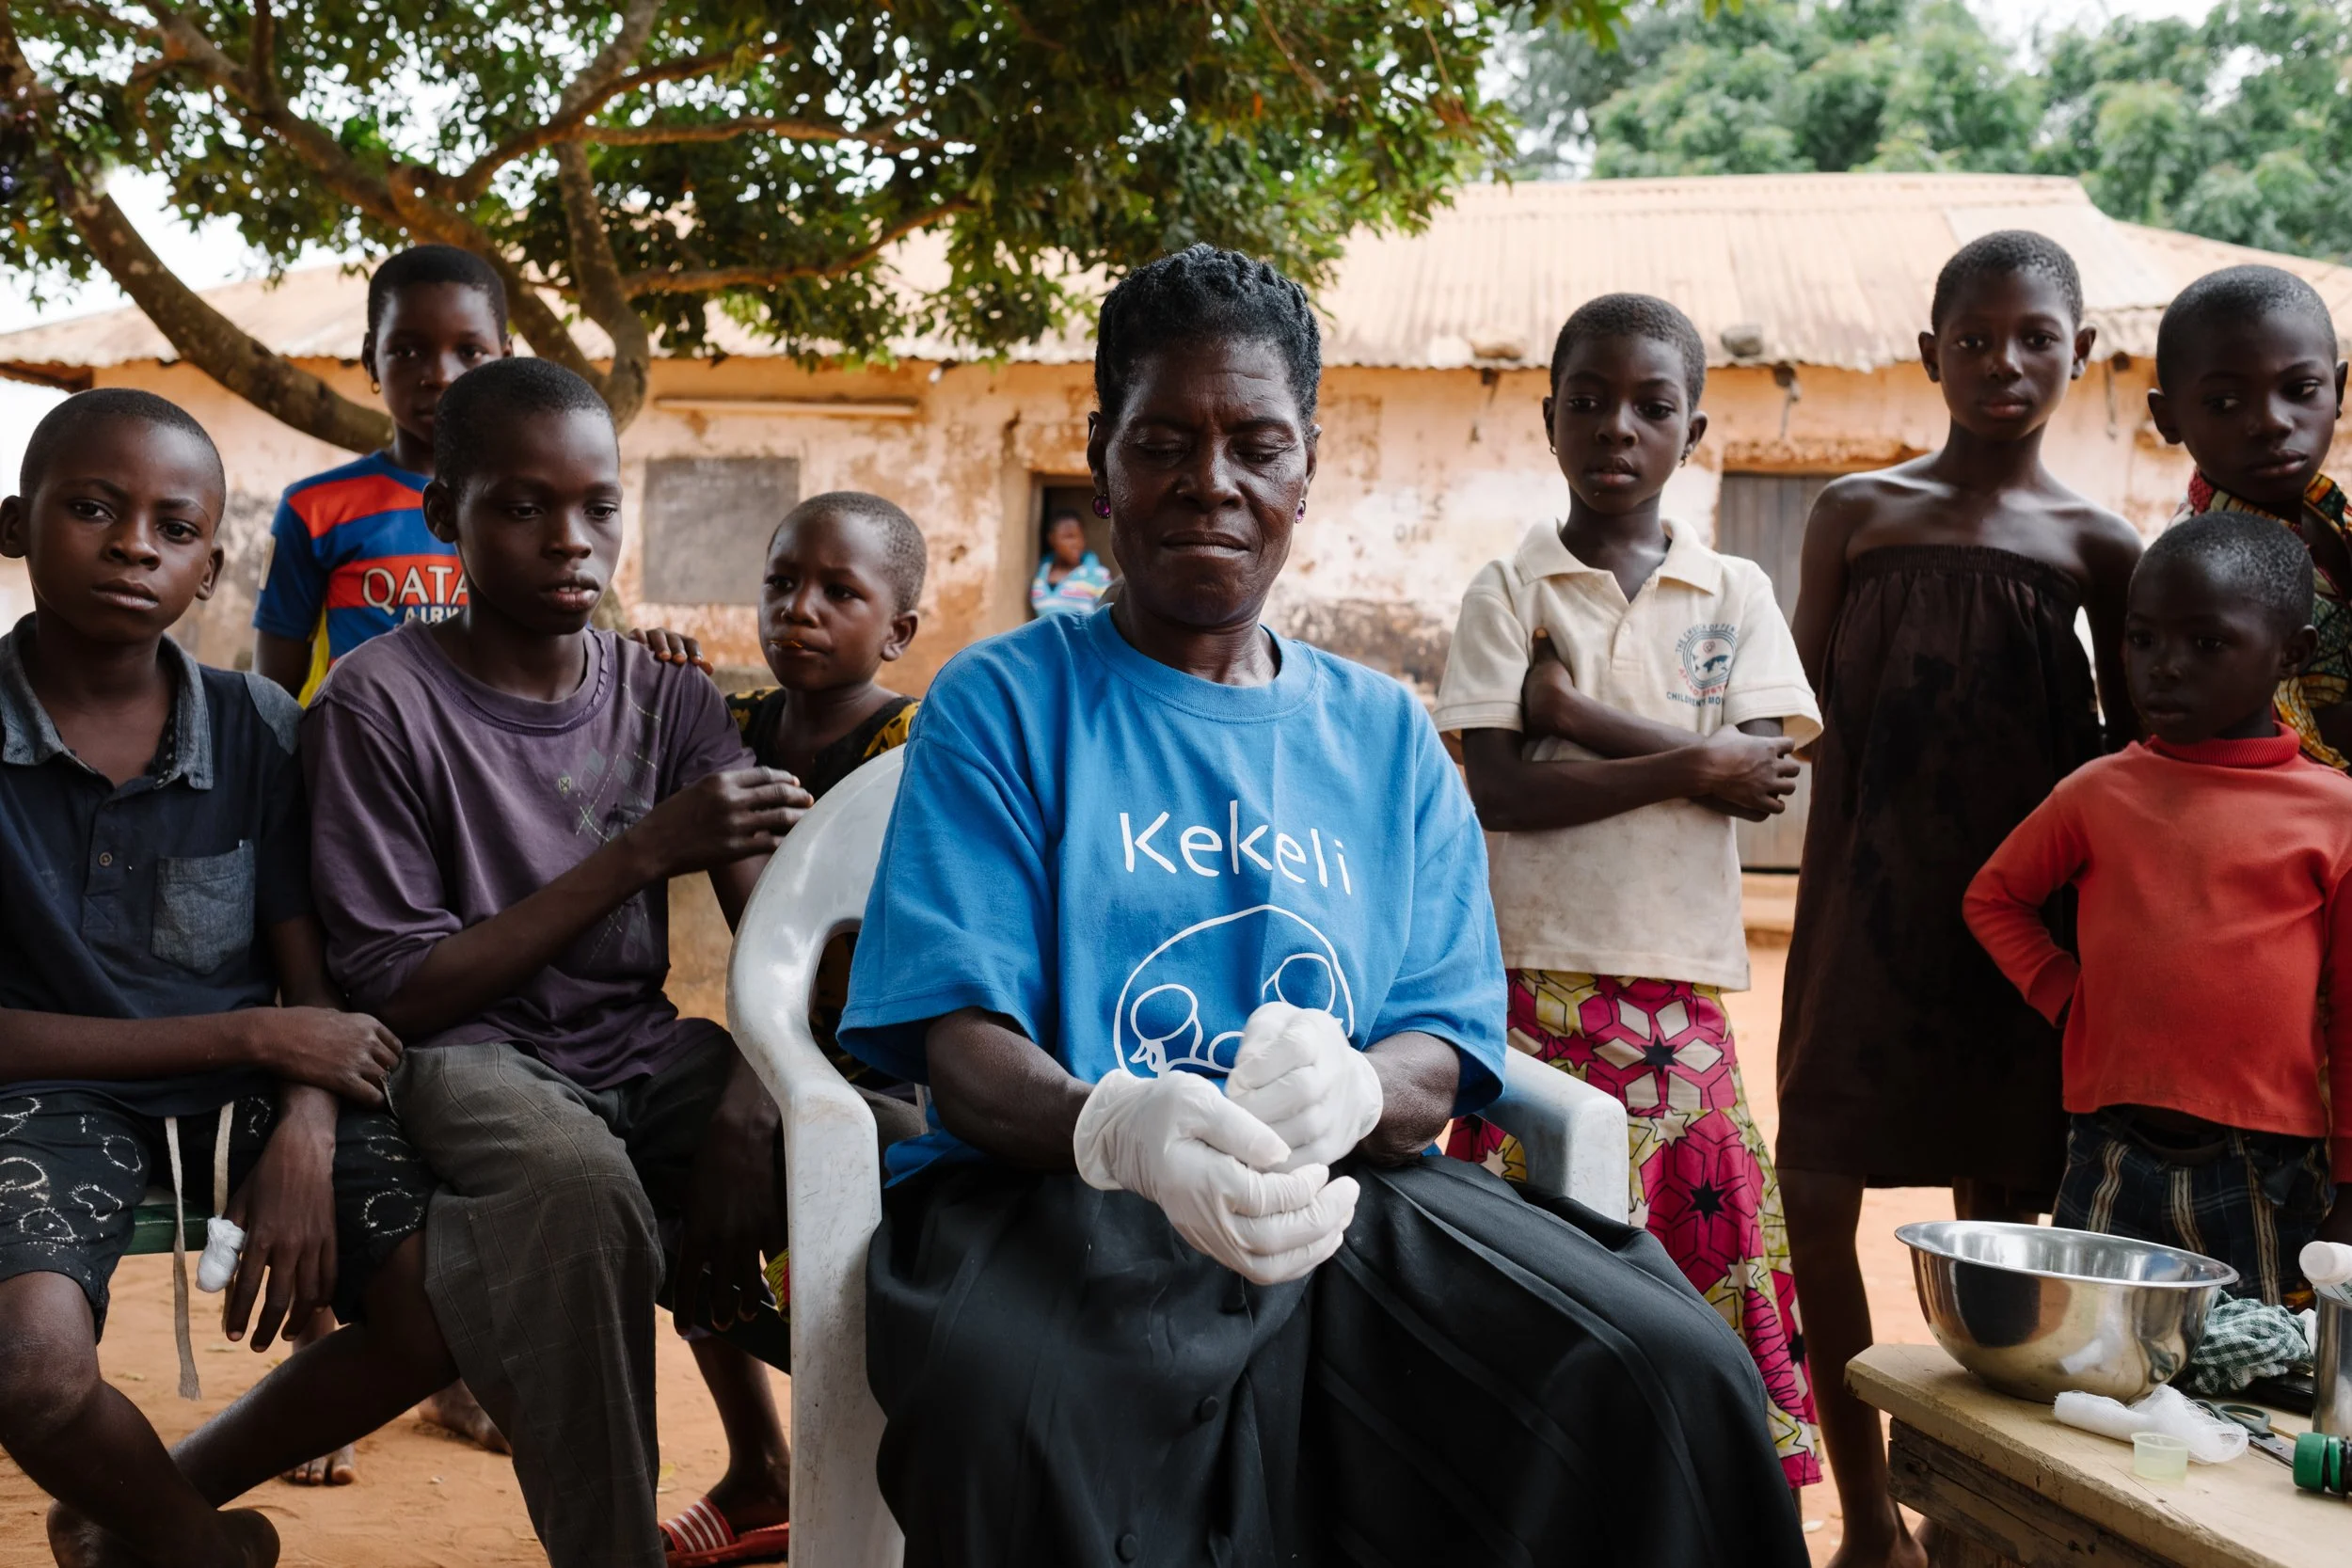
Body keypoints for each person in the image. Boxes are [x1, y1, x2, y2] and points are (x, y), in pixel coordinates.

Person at [836, 245, 1808, 1568]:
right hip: (1049, 1199)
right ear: (1104, 456)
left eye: (1255, 442)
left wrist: (1357, 1088)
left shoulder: (1385, 737)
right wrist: (1119, 1123)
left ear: (1307, 471)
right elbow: (958, 1044)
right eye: (1164, 440)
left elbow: (1443, 1042)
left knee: (1665, 1370)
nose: (1210, 481)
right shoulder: (1000, 703)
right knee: (1030, 1422)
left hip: (1346, 1203)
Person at [302, 357, 810, 1568]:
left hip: (636, 1044)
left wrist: (765, 1079)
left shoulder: (667, 698)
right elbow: (403, 989)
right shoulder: (378, 705)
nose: (570, 540)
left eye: (598, 505)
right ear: (445, 516)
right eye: (523, 507)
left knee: (867, 1140)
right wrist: (639, 853)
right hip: (463, 1054)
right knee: (585, 1194)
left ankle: (860, 1480)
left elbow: (776, 937)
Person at [0, 389, 456, 1568]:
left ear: (211, 568)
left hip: (258, 1090)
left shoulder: (256, 724)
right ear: (17, 525)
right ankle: (203, 1555)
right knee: (33, 1375)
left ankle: (136, 1513)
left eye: (175, 525)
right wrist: (259, 1039)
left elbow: (312, 985)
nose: (133, 543)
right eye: (93, 508)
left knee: (441, 1313)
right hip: (46, 1097)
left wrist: (306, 1118)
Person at [1775, 230, 2143, 1568]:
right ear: (1930, 355)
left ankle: (1969, 1512)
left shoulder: (2102, 544)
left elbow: (2143, 750)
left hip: (2025, 941)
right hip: (1861, 916)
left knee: (2008, 1221)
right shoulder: (1855, 514)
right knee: (1815, 1185)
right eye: (1974, 339)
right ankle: (1871, 1516)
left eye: (2036, 336)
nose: (2005, 362)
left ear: (2080, 355)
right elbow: (1794, 709)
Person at [1433, 292, 1825, 1494]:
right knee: (1528, 1252)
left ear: (1692, 434)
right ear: (1549, 420)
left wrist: (1574, 718)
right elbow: (1498, 788)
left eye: (1651, 407)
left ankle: (1705, 1492)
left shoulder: (1736, 590)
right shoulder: (1512, 591)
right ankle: (1530, 1486)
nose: (1617, 428)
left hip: (1681, 986)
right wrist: (1684, 759)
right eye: (1588, 403)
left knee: (1705, 1240)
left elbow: (1758, 776)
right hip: (1527, 986)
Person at [1966, 512, 2352, 1301]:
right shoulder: (2101, 791)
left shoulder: (2334, 812)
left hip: (2266, 1165)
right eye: (2142, 640)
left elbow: (2350, 1010)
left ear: (2292, 654)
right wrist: (2065, 994)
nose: (2164, 668)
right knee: (2085, 1359)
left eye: (2207, 643)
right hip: (2108, 1151)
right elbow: (1996, 896)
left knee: (2258, 1369)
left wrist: (2349, 1185)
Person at [657, 489, 927, 1567]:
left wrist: (757, 1086)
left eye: (839, 592)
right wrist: (652, 663)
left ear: (897, 629)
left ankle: (886, 1492)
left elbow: (861, 962)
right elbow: (630, 702)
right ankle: (758, 1461)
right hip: (779, 1044)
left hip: (896, 1062)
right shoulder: (732, 723)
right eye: (780, 584)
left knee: (871, 1258)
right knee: (680, 1205)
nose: (799, 610)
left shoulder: (913, 745)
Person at [251, 245, 510, 703]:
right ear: (371, 358)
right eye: (407, 351)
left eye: (469, 351)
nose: (440, 375)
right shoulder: (314, 509)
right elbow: (273, 695)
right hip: (354, 761)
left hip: (495, 764)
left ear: (505, 361)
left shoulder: (531, 504)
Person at [2148, 264, 2352, 770]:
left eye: (2301, 389)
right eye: (2225, 402)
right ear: (2168, 418)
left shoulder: (2332, 514)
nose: (2272, 422)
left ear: (2340, 389)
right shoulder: (2196, 573)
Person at [1029, 506, 1112, 617]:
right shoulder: (1041, 572)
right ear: (1051, 539)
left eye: (1080, 536)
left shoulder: (1098, 575)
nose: (1076, 543)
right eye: (1069, 537)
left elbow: (1107, 619)